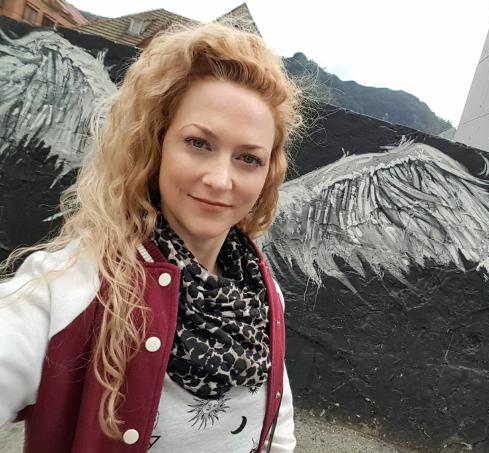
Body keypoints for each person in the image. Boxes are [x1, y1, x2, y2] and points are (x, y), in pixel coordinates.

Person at [0, 21, 302, 453]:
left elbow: (278, 430)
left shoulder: (261, 290)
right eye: (199, 143)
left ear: (268, 173)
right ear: (156, 144)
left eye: (248, 158)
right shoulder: (76, 287)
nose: (220, 179)